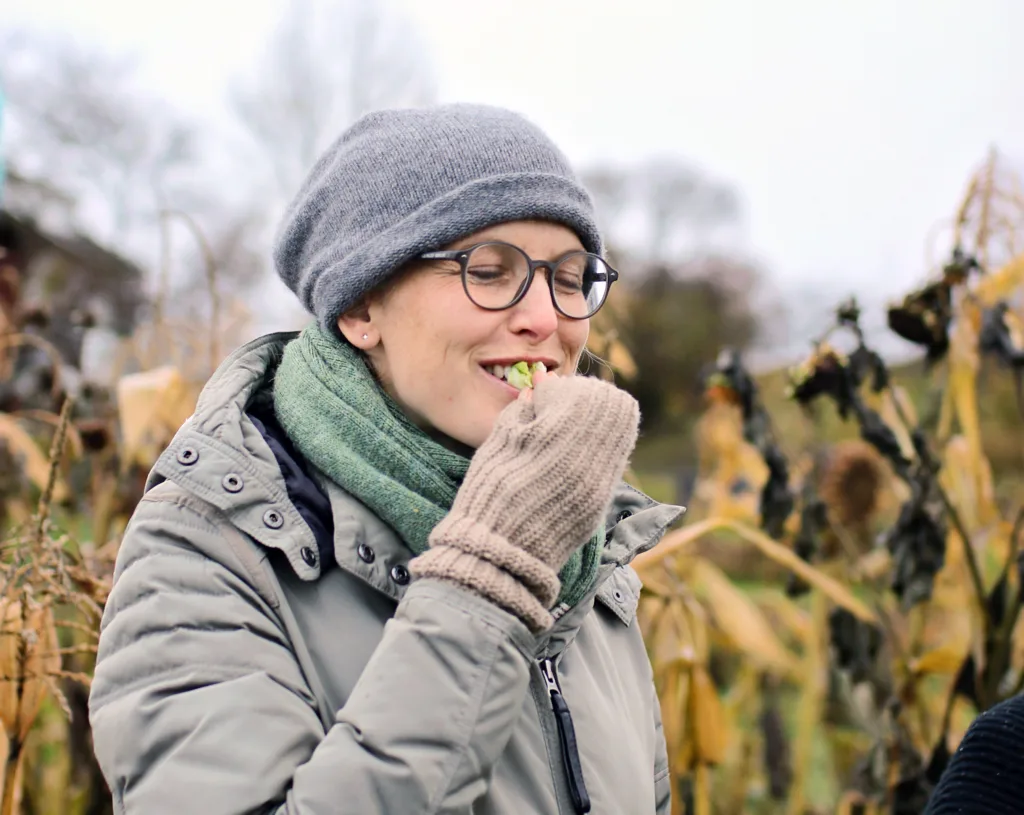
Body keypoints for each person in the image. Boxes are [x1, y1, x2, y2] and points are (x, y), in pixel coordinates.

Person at [88, 103, 685, 814]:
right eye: (489, 271)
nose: (545, 320)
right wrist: (491, 574)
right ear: (361, 309)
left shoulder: (586, 552)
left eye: (567, 278)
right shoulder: (208, 549)